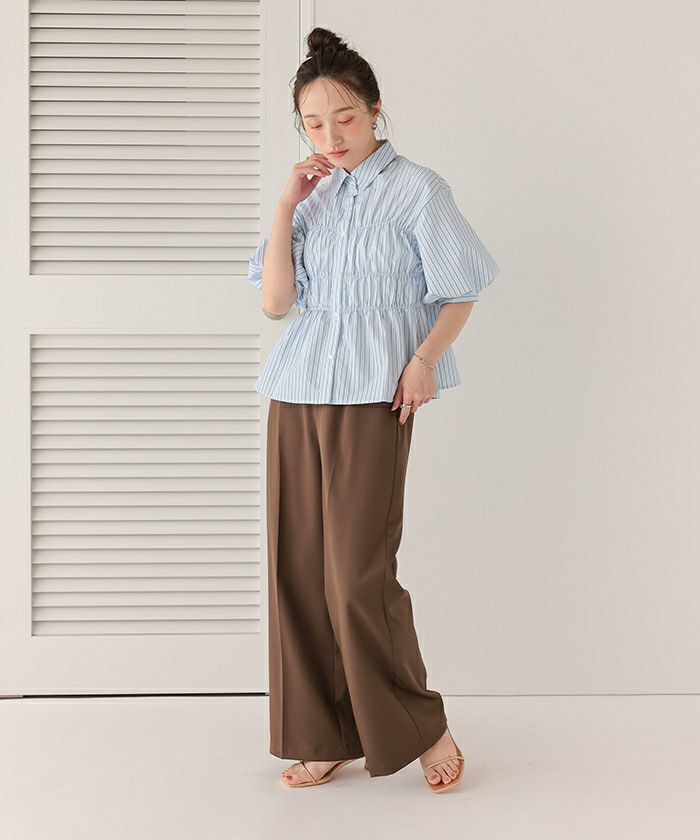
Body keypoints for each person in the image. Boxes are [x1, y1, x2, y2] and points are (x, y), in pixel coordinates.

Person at [246, 27, 500, 792]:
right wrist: (287, 205)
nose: (331, 136)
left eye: (346, 118)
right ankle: (324, 733)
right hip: (297, 391)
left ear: (376, 110)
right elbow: (276, 303)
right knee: (299, 572)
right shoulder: (311, 195)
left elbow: (461, 288)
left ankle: (422, 724)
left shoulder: (418, 188)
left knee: (358, 575)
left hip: (373, 394)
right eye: (314, 123)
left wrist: (423, 361)